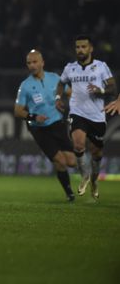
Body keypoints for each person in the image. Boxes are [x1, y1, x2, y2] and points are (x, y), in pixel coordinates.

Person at [56, 35, 117, 200]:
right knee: (78, 144)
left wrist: (101, 91)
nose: (80, 50)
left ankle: (95, 181)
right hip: (77, 112)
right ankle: (84, 175)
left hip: (97, 116)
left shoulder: (101, 67)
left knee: (96, 153)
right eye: (77, 47)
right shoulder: (70, 68)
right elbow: (61, 83)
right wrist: (57, 98)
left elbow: (113, 88)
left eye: (83, 47)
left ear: (90, 49)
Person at [14, 50, 76, 201]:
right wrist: (33, 116)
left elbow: (71, 93)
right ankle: (69, 193)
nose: (32, 65)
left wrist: (72, 105)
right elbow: (17, 111)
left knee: (72, 162)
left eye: (35, 62)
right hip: (39, 129)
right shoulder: (25, 86)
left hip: (57, 124)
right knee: (60, 161)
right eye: (29, 63)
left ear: (42, 63)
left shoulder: (55, 78)